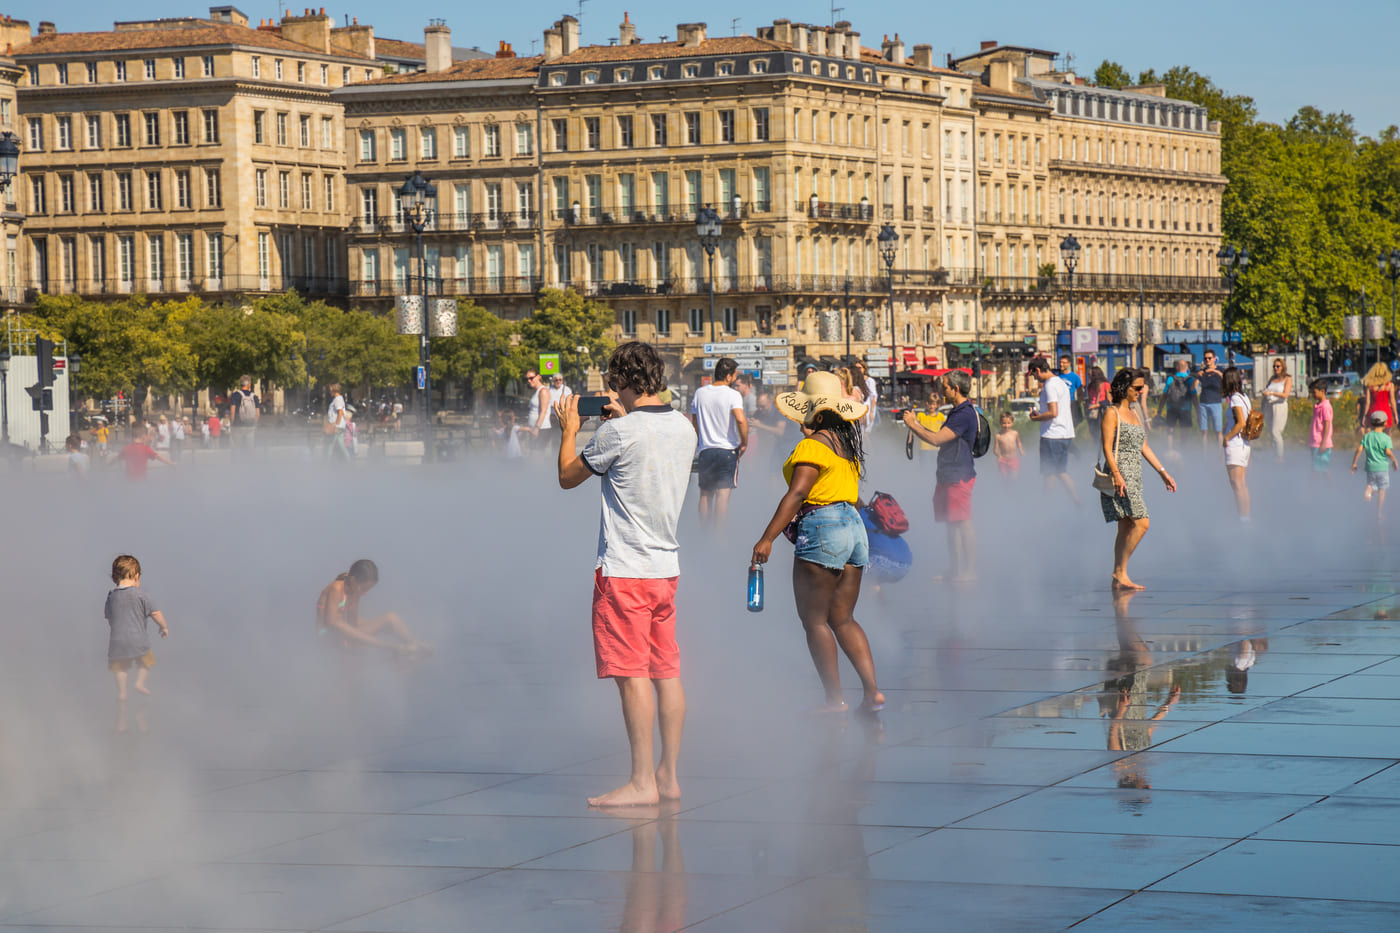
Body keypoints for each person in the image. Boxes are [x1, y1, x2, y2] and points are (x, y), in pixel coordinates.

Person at [556, 341, 697, 807]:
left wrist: (570, 430)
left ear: (620, 381)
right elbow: (644, 459)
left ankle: (641, 783)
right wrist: (620, 421)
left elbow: (568, 476)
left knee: (632, 674)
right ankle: (668, 776)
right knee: (666, 672)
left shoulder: (619, 432)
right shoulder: (684, 426)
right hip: (665, 569)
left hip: (624, 571)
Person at [754, 370, 883, 715]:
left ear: (817, 414)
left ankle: (834, 700)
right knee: (843, 618)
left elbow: (797, 493)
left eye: (806, 412)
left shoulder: (812, 447)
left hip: (824, 527)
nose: (801, 420)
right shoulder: (846, 446)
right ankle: (873, 692)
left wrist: (766, 539)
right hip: (853, 529)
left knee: (814, 620)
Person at [1099, 369, 1177, 590]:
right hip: (1119, 474)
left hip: (1135, 474)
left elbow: (1144, 447)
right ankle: (1119, 572)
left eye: (1142, 388)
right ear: (1124, 388)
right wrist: (1116, 474)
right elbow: (1107, 448)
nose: (1141, 392)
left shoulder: (1135, 413)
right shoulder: (1111, 413)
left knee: (1125, 526)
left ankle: (1120, 574)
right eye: (1137, 388)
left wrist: (1163, 472)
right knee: (1142, 523)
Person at [903, 369, 979, 583]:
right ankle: (955, 570)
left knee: (963, 523)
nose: (941, 390)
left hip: (958, 475)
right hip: (948, 474)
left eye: (944, 387)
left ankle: (970, 572)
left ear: (956, 388)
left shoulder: (964, 414)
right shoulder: (956, 411)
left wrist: (912, 424)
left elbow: (937, 439)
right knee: (951, 524)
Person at [316, 558, 431, 655]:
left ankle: (414, 645)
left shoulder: (355, 589)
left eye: (368, 589)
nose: (365, 593)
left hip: (344, 634)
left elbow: (352, 622)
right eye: (364, 588)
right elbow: (333, 623)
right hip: (330, 637)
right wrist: (382, 644)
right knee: (387, 622)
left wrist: (381, 628)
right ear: (353, 580)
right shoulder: (336, 589)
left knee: (391, 619)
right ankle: (400, 648)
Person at [689, 357, 748, 525]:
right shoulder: (733, 395)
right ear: (728, 376)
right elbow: (741, 419)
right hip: (727, 450)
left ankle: (703, 532)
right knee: (722, 496)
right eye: (734, 376)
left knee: (705, 494)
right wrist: (744, 443)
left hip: (706, 450)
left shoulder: (700, 393)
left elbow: (695, 422)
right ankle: (718, 535)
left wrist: (699, 442)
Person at [105, 554, 169, 702]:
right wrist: (164, 627)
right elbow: (156, 613)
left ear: (114, 578)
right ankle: (140, 683)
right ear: (137, 576)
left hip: (117, 641)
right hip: (138, 640)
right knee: (146, 660)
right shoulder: (142, 595)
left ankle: (122, 693)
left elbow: (109, 617)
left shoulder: (111, 597)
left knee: (120, 667)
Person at [1027, 357, 1080, 505]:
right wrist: (1040, 414)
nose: (1035, 379)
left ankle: (1046, 505)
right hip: (1065, 433)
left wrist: (1035, 418)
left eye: (1034, 375)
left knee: (1049, 472)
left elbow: (1053, 412)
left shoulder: (1050, 385)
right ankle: (1077, 502)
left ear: (1038, 370)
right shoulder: (1061, 382)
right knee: (1060, 471)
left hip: (1052, 435)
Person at [1351, 411, 1398, 521]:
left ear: (1371, 423)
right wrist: (1394, 460)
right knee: (1382, 489)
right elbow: (1388, 452)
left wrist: (1354, 463)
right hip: (1382, 468)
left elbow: (1359, 449)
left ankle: (1370, 489)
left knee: (1373, 484)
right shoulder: (1386, 438)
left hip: (1370, 468)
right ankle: (1379, 513)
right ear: (1385, 423)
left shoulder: (1367, 436)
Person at [1221, 366, 1252, 521]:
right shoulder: (1244, 396)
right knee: (1241, 484)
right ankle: (1245, 517)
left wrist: (1226, 437)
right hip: (1244, 444)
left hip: (1235, 444)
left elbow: (1240, 423)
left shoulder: (1235, 399)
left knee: (1236, 484)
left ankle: (1243, 518)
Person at [1157, 359, 1195, 448]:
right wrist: (1197, 410)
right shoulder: (1190, 380)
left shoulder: (1171, 378)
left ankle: (1170, 449)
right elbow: (1194, 396)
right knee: (1184, 431)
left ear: (1177, 368)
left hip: (1171, 407)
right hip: (1185, 408)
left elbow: (1164, 395)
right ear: (1187, 368)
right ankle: (1183, 449)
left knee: (1170, 430)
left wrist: (1159, 410)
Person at [1262, 359, 1292, 462]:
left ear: (1283, 367)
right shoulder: (1272, 379)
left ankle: (1280, 456)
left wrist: (1272, 393)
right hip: (1269, 405)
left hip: (1280, 406)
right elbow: (1267, 390)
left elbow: (1285, 394)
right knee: (1271, 431)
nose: (1276, 368)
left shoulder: (1287, 379)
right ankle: (1274, 453)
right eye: (1274, 366)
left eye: (1278, 366)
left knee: (1276, 431)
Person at [1194, 350, 1224, 451]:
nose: (1207, 360)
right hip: (1204, 403)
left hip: (1216, 402)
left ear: (1214, 359)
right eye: (1205, 358)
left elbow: (1226, 380)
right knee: (1204, 431)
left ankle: (1220, 452)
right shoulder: (1202, 372)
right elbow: (1193, 387)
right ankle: (1205, 454)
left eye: (1209, 358)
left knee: (1218, 431)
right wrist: (1196, 377)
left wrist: (1215, 372)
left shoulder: (1220, 370)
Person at [1309, 378, 1334, 478]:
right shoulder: (1318, 405)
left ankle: (1328, 485)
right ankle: (1318, 484)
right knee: (1315, 467)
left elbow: (1327, 424)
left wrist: (1323, 443)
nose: (1312, 395)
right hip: (1315, 442)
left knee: (1322, 469)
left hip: (1321, 443)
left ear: (1322, 391)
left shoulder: (1325, 407)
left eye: (1314, 392)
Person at [1362, 363, 1397, 429]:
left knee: (1373, 433)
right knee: (1387, 434)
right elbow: (1392, 401)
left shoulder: (1370, 386)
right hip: (1386, 412)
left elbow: (1367, 402)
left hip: (1373, 412)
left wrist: (1364, 416)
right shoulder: (1390, 385)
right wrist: (1395, 415)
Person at [230, 375, 260, 451]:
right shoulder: (254, 397)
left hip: (238, 426)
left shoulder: (235, 395)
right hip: (250, 426)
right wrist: (254, 424)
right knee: (249, 449)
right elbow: (257, 414)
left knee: (237, 448)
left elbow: (232, 412)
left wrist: (232, 424)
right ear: (249, 384)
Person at [325, 382, 350, 461]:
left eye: (330, 389)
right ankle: (349, 461)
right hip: (339, 425)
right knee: (341, 446)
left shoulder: (337, 399)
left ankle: (326, 463)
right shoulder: (338, 399)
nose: (329, 391)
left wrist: (336, 426)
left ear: (334, 390)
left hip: (336, 426)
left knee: (330, 444)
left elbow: (340, 412)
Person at [994, 411, 1023, 479]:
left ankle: (1013, 485)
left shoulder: (1015, 433)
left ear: (1012, 423)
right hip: (1003, 460)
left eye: (1008, 423)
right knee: (1004, 478)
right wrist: (998, 455)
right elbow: (995, 449)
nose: (1006, 425)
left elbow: (1018, 442)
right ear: (1000, 423)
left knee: (1013, 477)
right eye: (1004, 423)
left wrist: (1021, 450)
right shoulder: (998, 436)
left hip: (1013, 459)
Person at [1057, 354, 1084, 425]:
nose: (1061, 364)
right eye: (1060, 362)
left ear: (1069, 364)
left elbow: (1080, 392)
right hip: (1058, 404)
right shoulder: (1057, 376)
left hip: (1070, 403)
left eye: (1064, 363)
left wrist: (1077, 403)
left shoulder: (1075, 377)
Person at [524, 369, 551, 436]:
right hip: (534, 428)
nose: (529, 381)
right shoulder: (537, 391)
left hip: (542, 429)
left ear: (538, 377)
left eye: (531, 378)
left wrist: (536, 428)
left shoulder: (543, 391)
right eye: (527, 379)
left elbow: (543, 411)